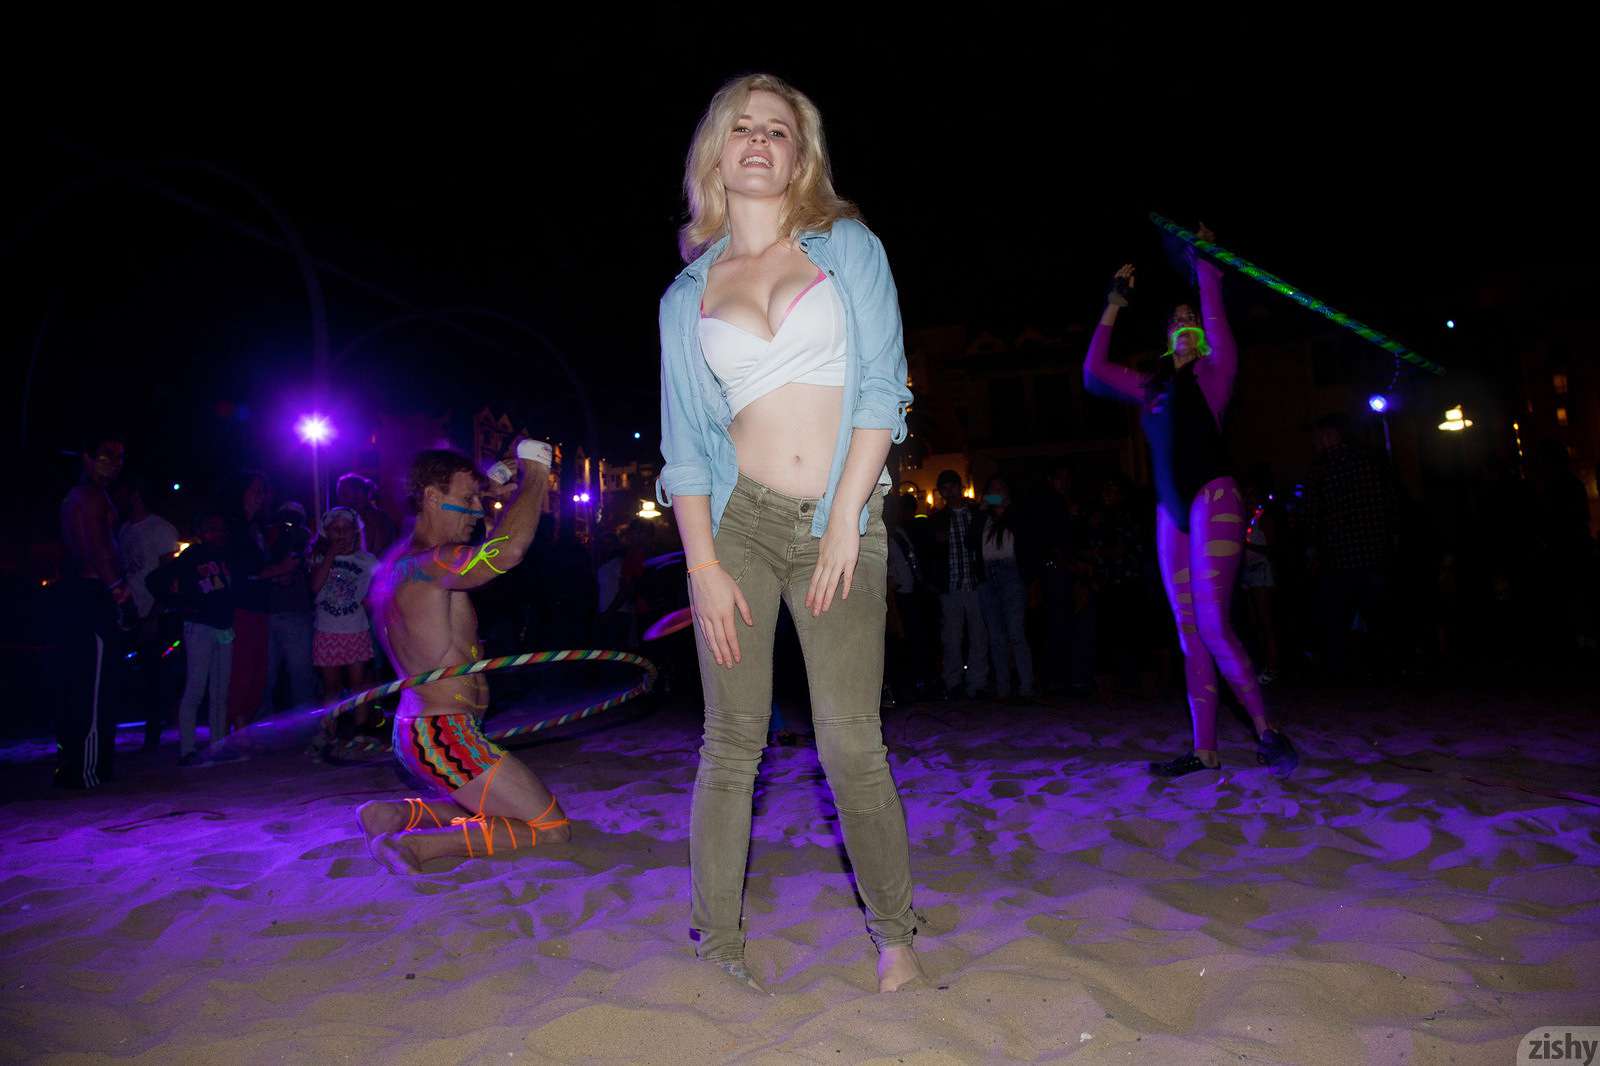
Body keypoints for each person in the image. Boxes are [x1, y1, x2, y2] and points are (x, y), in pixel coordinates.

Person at [656, 73, 923, 992]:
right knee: (731, 742)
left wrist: (847, 515)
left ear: (800, 153)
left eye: (778, 129)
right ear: (716, 154)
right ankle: (717, 947)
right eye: (742, 128)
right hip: (736, 525)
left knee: (850, 742)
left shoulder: (848, 248)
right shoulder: (686, 294)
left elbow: (884, 387)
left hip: (838, 518)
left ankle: (895, 938)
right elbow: (685, 448)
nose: (759, 141)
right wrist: (701, 567)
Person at [1081, 231, 1297, 777]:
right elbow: (1093, 373)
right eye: (1176, 317)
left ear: (1199, 332)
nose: (1184, 320)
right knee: (1189, 632)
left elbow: (1214, 309)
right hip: (1169, 513)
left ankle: (1268, 732)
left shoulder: (1215, 372)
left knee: (1215, 623)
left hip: (1214, 496)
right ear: (1165, 335)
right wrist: (1113, 303)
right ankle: (1204, 751)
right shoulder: (1149, 385)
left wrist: (1204, 262)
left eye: (1191, 316)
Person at [355, 443, 570, 873]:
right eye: (468, 500)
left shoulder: (400, 564)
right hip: (444, 734)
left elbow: (491, 539)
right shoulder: (432, 562)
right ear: (432, 497)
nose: (477, 510)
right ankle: (415, 847)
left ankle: (393, 815)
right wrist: (534, 475)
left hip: (424, 730)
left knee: (493, 806)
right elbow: (506, 552)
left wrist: (498, 492)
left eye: (479, 499)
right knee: (550, 828)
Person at [53, 431, 130, 787]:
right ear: (86, 457)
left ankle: (80, 766)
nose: (114, 463)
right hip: (91, 594)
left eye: (119, 457)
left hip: (84, 594)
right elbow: (96, 547)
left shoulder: (86, 495)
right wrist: (116, 587)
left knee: (85, 682)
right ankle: (87, 769)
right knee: (94, 687)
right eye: (106, 455)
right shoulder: (88, 497)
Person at [157, 511, 241, 765]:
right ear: (201, 532)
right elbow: (158, 579)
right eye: (211, 528)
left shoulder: (226, 555)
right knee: (196, 687)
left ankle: (218, 745)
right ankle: (188, 750)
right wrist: (183, 605)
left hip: (223, 627)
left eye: (220, 528)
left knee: (220, 691)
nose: (217, 533)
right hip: (200, 626)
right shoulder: (192, 555)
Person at [115, 477, 180, 750]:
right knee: (134, 674)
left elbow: (168, 577)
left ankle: (154, 733)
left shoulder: (161, 529)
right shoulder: (124, 530)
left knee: (155, 674)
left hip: (155, 612)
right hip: (129, 611)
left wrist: (155, 613)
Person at [310, 506, 380, 720]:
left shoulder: (368, 560)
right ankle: (329, 731)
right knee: (331, 687)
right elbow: (314, 587)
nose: (341, 533)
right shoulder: (319, 558)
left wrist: (372, 600)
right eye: (335, 529)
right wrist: (330, 554)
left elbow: (383, 588)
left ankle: (360, 729)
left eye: (346, 528)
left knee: (358, 686)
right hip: (327, 630)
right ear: (326, 533)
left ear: (354, 531)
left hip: (356, 629)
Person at [926, 469, 989, 698]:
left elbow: (1001, 497)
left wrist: (984, 500)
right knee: (952, 638)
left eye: (952, 486)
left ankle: (977, 682)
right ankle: (953, 682)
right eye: (945, 488)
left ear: (960, 487)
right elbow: (930, 554)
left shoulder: (976, 511)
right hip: (950, 586)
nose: (949, 491)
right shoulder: (937, 519)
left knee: (978, 635)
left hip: (975, 584)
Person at [978, 477, 1034, 700]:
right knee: (996, 636)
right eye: (992, 489)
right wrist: (983, 510)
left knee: (1015, 633)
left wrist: (1006, 508)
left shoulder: (1018, 515)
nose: (996, 493)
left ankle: (1026, 685)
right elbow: (971, 541)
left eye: (1000, 488)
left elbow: (1027, 541)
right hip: (988, 576)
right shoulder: (984, 518)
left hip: (1011, 574)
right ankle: (1003, 687)